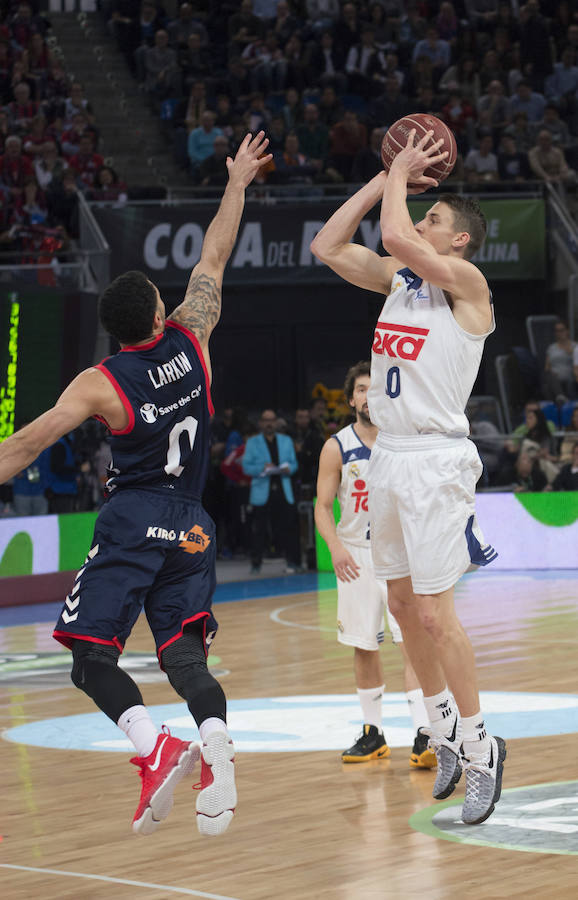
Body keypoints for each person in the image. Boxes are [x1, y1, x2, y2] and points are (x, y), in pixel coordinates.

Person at [0, 132, 273, 836]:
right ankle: (217, 747)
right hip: (192, 523)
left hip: (134, 516)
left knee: (90, 661)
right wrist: (238, 180)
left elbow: (29, 442)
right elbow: (214, 253)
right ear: (159, 315)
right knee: (182, 656)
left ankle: (157, 751)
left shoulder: (101, 383)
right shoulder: (193, 337)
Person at [310, 130, 505, 826]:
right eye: (422, 215)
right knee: (399, 611)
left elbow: (393, 234)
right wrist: (376, 181)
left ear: (459, 244)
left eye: (434, 221)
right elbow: (328, 247)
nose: (421, 224)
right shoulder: (401, 282)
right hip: (389, 455)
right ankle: (445, 731)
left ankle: (483, 752)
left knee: (433, 614)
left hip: (435, 461)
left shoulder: (471, 291)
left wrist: (396, 175)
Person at [315, 360, 436, 768]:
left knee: (411, 642)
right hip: (356, 554)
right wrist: (334, 547)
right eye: (362, 389)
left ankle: (424, 732)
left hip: (398, 555)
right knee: (364, 645)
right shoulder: (337, 446)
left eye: (376, 389)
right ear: (352, 399)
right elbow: (321, 506)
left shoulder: (402, 439)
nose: (369, 396)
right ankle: (373, 733)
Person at [242, 408, 302, 575]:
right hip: (262, 488)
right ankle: (256, 563)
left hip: (283, 488)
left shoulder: (286, 441)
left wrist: (288, 468)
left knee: (288, 527)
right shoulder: (253, 442)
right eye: (265, 420)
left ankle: (293, 561)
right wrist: (263, 468)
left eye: (272, 420)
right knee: (259, 529)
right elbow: (246, 467)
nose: (269, 423)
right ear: (261, 423)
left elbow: (294, 463)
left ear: (276, 422)